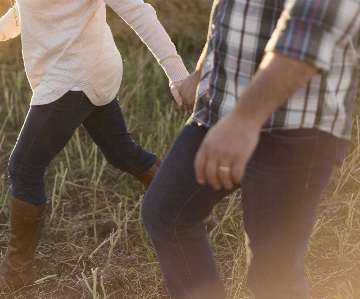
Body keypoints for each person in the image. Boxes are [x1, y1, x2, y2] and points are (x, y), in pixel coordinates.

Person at [0, 0, 193, 294]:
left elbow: (137, 11)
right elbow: (27, 9)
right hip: (88, 68)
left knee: (23, 167)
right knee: (122, 153)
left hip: (73, 77)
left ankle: (16, 268)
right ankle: (186, 205)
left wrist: (178, 75)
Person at [142, 0, 360, 298]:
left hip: (294, 124)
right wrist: (202, 69)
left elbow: (310, 34)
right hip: (221, 110)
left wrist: (244, 121)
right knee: (167, 213)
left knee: (273, 274)